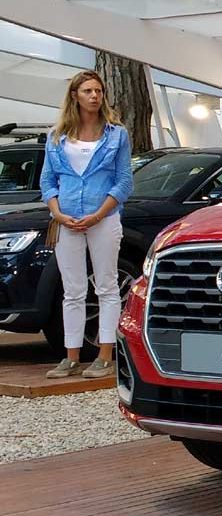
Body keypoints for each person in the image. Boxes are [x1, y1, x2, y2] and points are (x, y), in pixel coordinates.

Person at [41, 70, 132, 379]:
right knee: (72, 289)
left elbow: (123, 182)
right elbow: (47, 180)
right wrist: (57, 213)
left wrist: (98, 214)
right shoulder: (57, 136)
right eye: (88, 91)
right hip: (66, 220)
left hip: (103, 218)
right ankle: (71, 356)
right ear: (75, 96)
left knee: (106, 285)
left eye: (98, 91)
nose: (94, 96)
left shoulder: (116, 135)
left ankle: (105, 355)